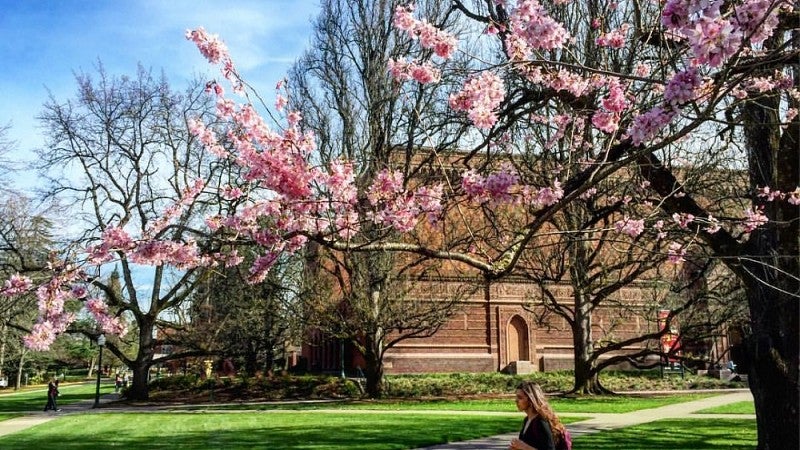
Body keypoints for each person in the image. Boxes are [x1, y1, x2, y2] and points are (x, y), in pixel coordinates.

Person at [510, 381, 568, 450]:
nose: (516, 400)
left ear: (531, 399)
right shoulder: (527, 420)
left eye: (520, 397)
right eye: (516, 397)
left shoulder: (541, 421)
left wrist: (524, 447)